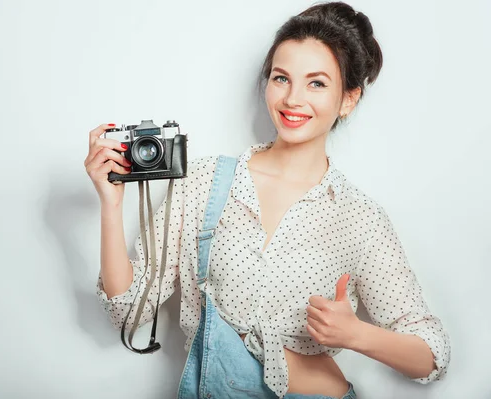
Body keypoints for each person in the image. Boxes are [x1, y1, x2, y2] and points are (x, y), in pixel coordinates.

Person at [85, 2, 451, 398]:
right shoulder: (204, 183)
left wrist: (356, 334)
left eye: (317, 83)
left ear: (348, 98)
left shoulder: (359, 218)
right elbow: (128, 312)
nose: (293, 99)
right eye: (281, 78)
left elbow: (432, 355)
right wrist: (111, 204)